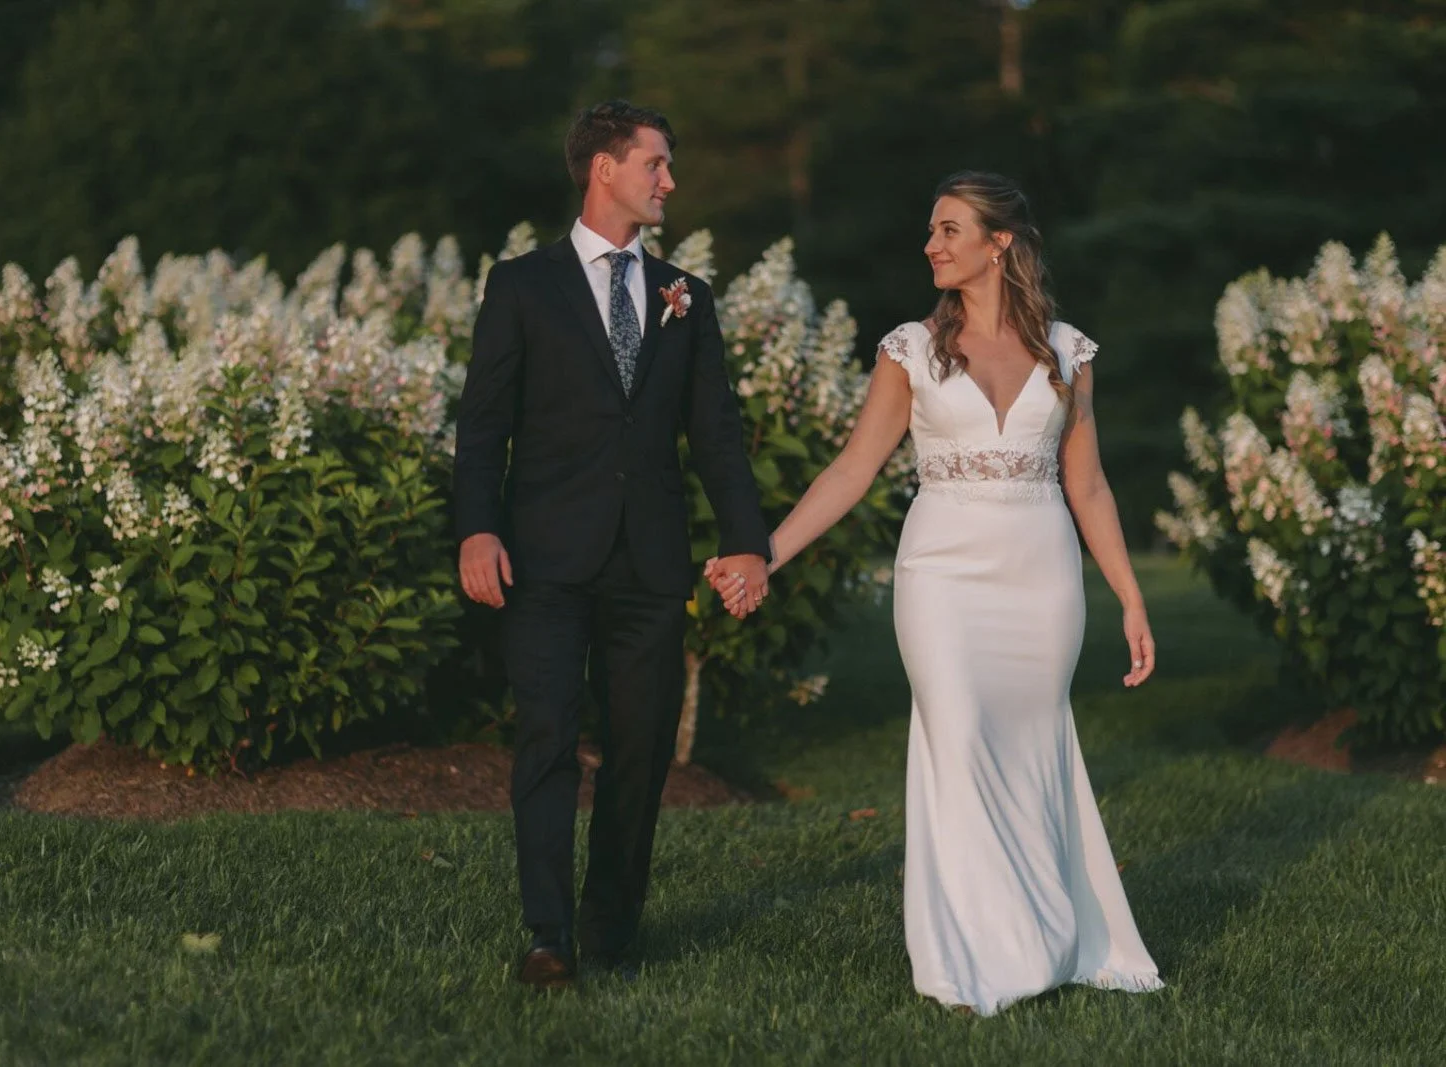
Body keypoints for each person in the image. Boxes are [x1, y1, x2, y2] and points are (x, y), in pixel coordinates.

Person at [707, 170, 1164, 1015]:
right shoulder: (908, 350)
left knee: (1030, 753)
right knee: (956, 741)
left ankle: (1053, 933)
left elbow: (1090, 486)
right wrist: (764, 554)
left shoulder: (1068, 351)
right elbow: (852, 469)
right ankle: (974, 957)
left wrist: (1131, 597)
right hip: (942, 576)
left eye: (950, 230)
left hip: (1042, 578)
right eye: (930, 230)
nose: (932, 244)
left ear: (1001, 243)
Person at [453, 100, 771, 990]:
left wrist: (748, 543)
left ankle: (613, 925)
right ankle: (548, 932)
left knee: (639, 751)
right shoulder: (522, 285)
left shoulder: (686, 296)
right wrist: (477, 527)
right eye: (656, 164)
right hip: (543, 557)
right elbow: (483, 427)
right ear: (604, 169)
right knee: (548, 740)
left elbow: (716, 434)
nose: (669, 181)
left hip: (652, 563)